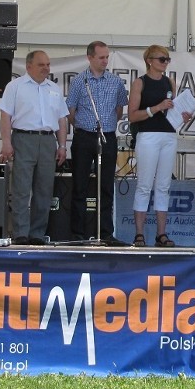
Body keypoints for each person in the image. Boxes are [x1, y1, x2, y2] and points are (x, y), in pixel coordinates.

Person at [0, 50, 69, 245]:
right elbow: (5, 116)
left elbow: (61, 119)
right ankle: (21, 232)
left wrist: (62, 145)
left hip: (48, 141)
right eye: (41, 65)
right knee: (21, 188)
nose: (46, 68)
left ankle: (37, 234)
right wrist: (6, 143)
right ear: (29, 66)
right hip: (23, 138)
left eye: (47, 64)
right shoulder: (15, 87)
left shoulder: (54, 88)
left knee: (44, 190)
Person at [65, 41, 128, 246]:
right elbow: (71, 112)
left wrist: (106, 126)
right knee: (80, 186)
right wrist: (83, 127)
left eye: (107, 57)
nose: (105, 61)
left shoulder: (116, 82)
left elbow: (119, 110)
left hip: (107, 136)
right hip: (83, 136)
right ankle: (77, 234)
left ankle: (106, 233)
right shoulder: (79, 81)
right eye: (101, 57)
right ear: (90, 57)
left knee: (106, 186)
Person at [128, 44, 189, 247]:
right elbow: (133, 115)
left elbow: (170, 112)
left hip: (168, 135)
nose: (165, 62)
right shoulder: (140, 83)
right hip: (148, 135)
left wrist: (182, 115)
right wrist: (156, 108)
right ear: (149, 60)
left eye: (167, 59)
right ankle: (139, 234)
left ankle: (161, 233)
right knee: (145, 184)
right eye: (161, 59)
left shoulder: (168, 81)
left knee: (163, 185)